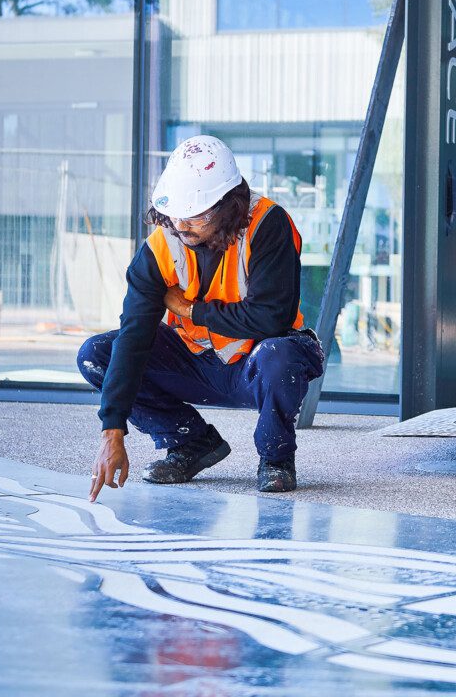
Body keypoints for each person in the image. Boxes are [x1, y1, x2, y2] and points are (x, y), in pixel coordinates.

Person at [78, 135, 324, 502]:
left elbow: (272, 318)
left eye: (195, 214)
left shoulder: (267, 225)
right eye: (175, 214)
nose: (180, 224)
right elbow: (134, 337)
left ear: (228, 207)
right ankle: (192, 443)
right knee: (98, 354)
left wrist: (191, 310)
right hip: (195, 363)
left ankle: (276, 458)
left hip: (257, 365)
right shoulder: (161, 247)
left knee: (280, 354)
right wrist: (111, 429)